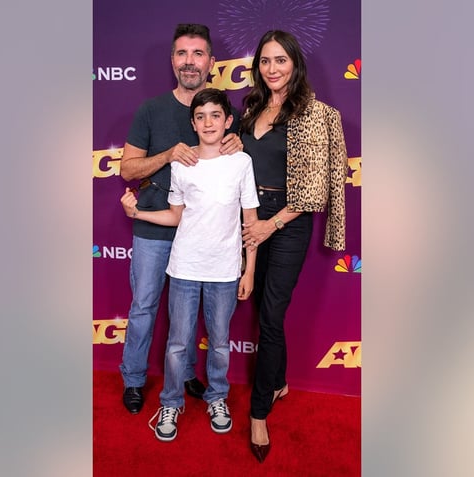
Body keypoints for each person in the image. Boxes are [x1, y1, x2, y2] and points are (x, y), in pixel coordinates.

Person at [117, 23, 244, 415]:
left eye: (198, 54)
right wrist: (168, 154)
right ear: (173, 60)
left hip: (203, 232)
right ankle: (134, 379)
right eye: (183, 54)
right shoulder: (151, 110)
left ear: (211, 62)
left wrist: (237, 141)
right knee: (145, 305)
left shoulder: (226, 115)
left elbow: (237, 169)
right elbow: (127, 170)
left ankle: (186, 373)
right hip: (156, 226)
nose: (190, 62)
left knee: (189, 312)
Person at [120, 88, 259, 441]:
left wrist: (249, 269)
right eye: (201, 116)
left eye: (216, 115)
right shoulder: (182, 167)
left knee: (221, 342)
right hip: (183, 268)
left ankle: (217, 397)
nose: (208, 122)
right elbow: (176, 217)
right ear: (192, 124)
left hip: (225, 272)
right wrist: (138, 211)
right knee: (178, 342)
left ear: (229, 122)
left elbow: (250, 222)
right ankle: (170, 400)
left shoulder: (241, 163)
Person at [238, 30, 348, 463]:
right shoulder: (249, 109)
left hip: (287, 222)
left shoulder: (316, 114)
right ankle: (278, 380)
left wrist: (272, 225)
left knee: (270, 315)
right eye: (265, 61)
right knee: (261, 307)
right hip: (248, 218)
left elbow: (316, 188)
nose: (273, 68)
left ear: (295, 64)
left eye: (280, 60)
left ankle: (259, 412)